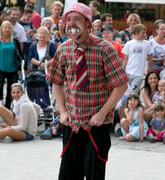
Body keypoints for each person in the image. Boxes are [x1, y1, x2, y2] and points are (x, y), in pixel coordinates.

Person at [47, 3, 128, 180]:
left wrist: (102, 114)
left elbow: (121, 85)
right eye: (68, 19)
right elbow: (57, 83)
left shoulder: (105, 49)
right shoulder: (63, 49)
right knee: (68, 174)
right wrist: (62, 111)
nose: (71, 23)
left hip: (96, 125)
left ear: (88, 23)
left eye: (77, 19)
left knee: (94, 174)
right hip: (72, 124)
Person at [0, 20, 23, 109]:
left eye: (9, 28)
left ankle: (8, 107)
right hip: (1, 68)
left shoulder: (14, 41)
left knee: (12, 89)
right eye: (5, 28)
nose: (7, 29)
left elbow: (20, 55)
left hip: (13, 69)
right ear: (1, 29)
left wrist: (20, 69)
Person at [122, 23, 153, 94]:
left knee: (133, 93)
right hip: (128, 73)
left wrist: (150, 70)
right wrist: (123, 70)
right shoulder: (129, 44)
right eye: (143, 33)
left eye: (145, 33)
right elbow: (125, 59)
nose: (144, 35)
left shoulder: (147, 44)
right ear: (136, 33)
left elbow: (150, 58)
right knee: (126, 93)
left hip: (139, 74)